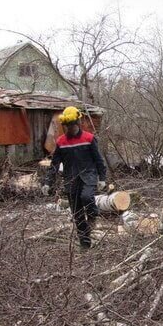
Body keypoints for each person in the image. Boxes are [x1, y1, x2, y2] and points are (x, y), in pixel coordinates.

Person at [41, 106, 107, 249]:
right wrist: (47, 182)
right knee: (77, 214)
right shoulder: (61, 142)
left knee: (87, 197)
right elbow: (54, 164)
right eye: (67, 125)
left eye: (71, 125)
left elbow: (99, 160)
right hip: (71, 179)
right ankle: (85, 244)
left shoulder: (89, 138)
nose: (69, 128)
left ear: (77, 123)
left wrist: (102, 178)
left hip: (88, 176)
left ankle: (93, 216)